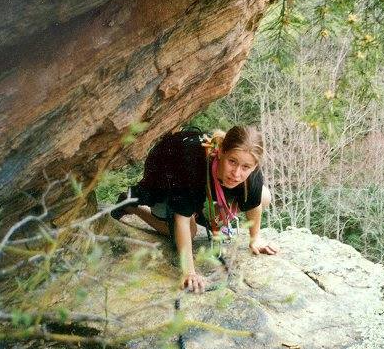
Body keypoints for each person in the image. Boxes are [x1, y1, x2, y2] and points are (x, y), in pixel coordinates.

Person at [111, 125, 279, 293]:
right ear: (221, 152)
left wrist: (255, 239)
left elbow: (254, 203)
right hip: (167, 176)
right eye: (232, 161)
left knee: (264, 196)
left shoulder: (251, 173)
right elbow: (181, 221)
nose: (236, 173)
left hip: (203, 186)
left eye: (245, 167)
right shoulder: (192, 166)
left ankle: (199, 211)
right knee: (189, 231)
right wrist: (189, 272)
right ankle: (132, 207)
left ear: (254, 166)